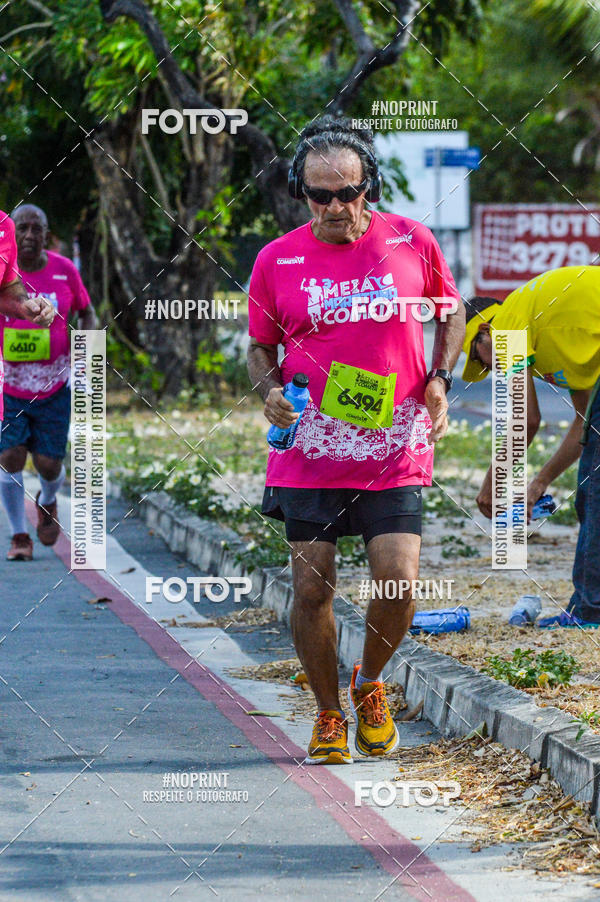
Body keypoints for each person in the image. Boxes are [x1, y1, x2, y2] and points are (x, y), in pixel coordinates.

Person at [247, 115, 464, 764]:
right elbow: (260, 349)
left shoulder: (412, 240)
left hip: (394, 445)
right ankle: (327, 712)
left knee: (397, 582)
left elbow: (450, 314)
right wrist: (267, 392)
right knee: (312, 589)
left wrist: (439, 378)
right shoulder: (276, 259)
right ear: (300, 194)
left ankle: (369, 682)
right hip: (308, 446)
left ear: (369, 185)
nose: (337, 207)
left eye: (349, 192)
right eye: (321, 196)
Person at [462, 265, 600, 627]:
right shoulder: (545, 334)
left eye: (479, 360)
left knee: (594, 495)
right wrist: (539, 483)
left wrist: (492, 484)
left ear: (483, 334)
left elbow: (525, 419)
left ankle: (589, 612)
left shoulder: (507, 323)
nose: (488, 369)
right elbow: (587, 425)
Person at [0, 204, 96, 561]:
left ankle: (49, 500)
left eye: (35, 229)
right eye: (21, 228)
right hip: (9, 385)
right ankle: (19, 536)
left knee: (49, 465)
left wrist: (85, 355)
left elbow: (87, 312)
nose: (27, 235)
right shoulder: (3, 270)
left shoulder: (64, 270)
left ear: (46, 234)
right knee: (9, 456)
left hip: (55, 384)